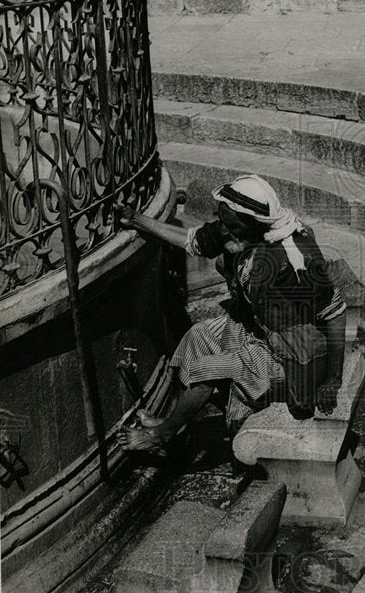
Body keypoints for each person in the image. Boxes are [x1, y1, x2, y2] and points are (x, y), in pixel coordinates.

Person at [116, 175, 347, 457]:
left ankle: (161, 435)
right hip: (257, 328)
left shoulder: (294, 257)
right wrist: (138, 220)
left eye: (231, 226)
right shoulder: (236, 229)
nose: (224, 231)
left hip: (293, 354)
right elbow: (191, 240)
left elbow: (334, 312)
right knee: (196, 337)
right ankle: (177, 423)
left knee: (208, 369)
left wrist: (332, 378)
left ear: (256, 225)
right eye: (222, 222)